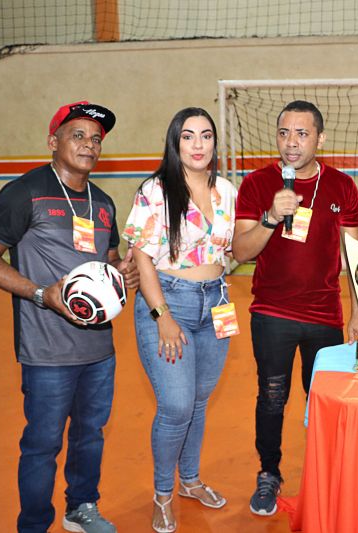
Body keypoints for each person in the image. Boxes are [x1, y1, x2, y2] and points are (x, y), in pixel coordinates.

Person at [0, 101, 138, 533]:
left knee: (90, 436)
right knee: (42, 446)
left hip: (99, 349)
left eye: (96, 138)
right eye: (78, 134)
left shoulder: (102, 203)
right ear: (54, 141)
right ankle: (34, 524)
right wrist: (42, 293)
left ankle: (81, 507)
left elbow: (110, 259)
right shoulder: (24, 192)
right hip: (45, 351)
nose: (89, 144)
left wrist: (124, 274)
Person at [232, 100, 358, 516]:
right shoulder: (256, 184)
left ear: (320, 139)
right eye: (284, 133)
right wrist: (271, 216)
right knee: (272, 396)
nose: (292, 143)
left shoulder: (342, 186)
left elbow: (354, 256)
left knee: (323, 398)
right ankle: (269, 473)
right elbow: (240, 250)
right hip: (272, 311)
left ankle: (329, 474)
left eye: (302, 133)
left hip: (325, 314)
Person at [123, 107, 236, 533]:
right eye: (188, 137)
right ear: (175, 143)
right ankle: (162, 494)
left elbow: (227, 254)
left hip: (215, 303)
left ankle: (189, 480)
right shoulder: (155, 190)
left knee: (199, 401)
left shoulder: (226, 190)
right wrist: (162, 316)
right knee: (175, 406)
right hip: (169, 302)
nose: (198, 145)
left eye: (206, 136)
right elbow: (142, 258)